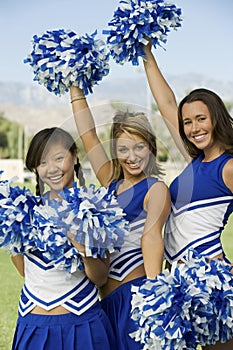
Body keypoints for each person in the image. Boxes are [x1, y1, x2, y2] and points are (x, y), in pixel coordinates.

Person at [142, 42, 233, 349]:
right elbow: (167, 103)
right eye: (187, 122)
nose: (193, 128)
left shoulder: (229, 166)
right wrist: (147, 54)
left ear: (216, 118)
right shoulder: (195, 160)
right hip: (178, 282)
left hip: (210, 281)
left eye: (201, 119)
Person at [69, 86, 171, 349]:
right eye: (123, 149)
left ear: (151, 147)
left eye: (139, 147)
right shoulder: (111, 185)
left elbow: (151, 236)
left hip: (136, 298)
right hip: (106, 305)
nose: (132, 157)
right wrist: (74, 86)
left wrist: (154, 298)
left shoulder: (155, 188)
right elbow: (88, 136)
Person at [10, 127, 117, 350]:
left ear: (75, 156)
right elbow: (22, 269)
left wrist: (82, 247)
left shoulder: (96, 209)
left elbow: (100, 278)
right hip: (34, 322)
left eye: (59, 158)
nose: (52, 169)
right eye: (42, 163)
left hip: (82, 321)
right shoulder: (23, 212)